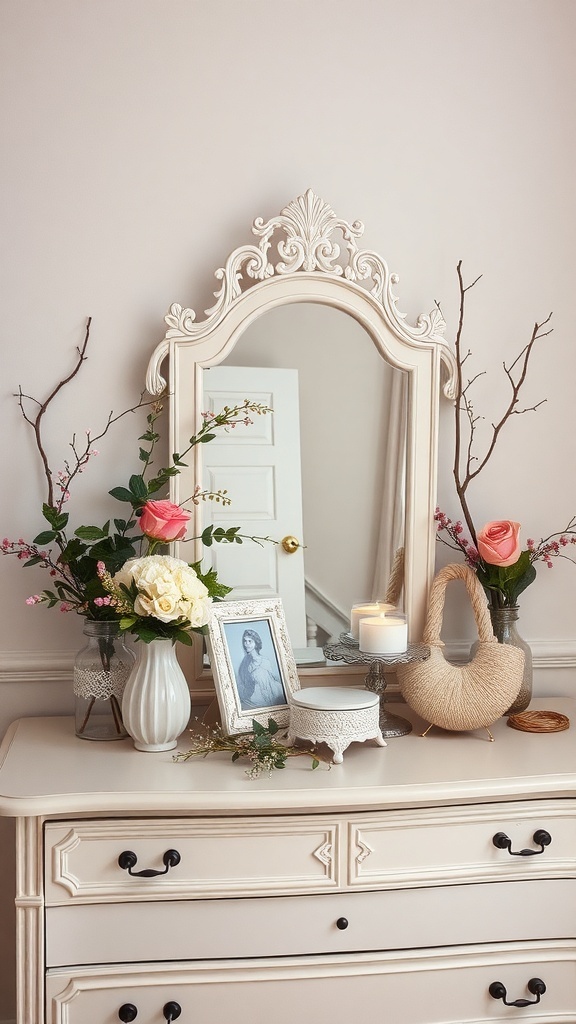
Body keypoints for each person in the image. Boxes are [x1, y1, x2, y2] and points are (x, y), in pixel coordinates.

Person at [237, 628, 284, 710]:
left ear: (256, 643)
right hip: (253, 698)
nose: (246, 644)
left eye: (250, 641)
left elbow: (270, 683)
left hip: (268, 696)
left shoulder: (265, 661)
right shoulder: (245, 663)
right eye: (245, 641)